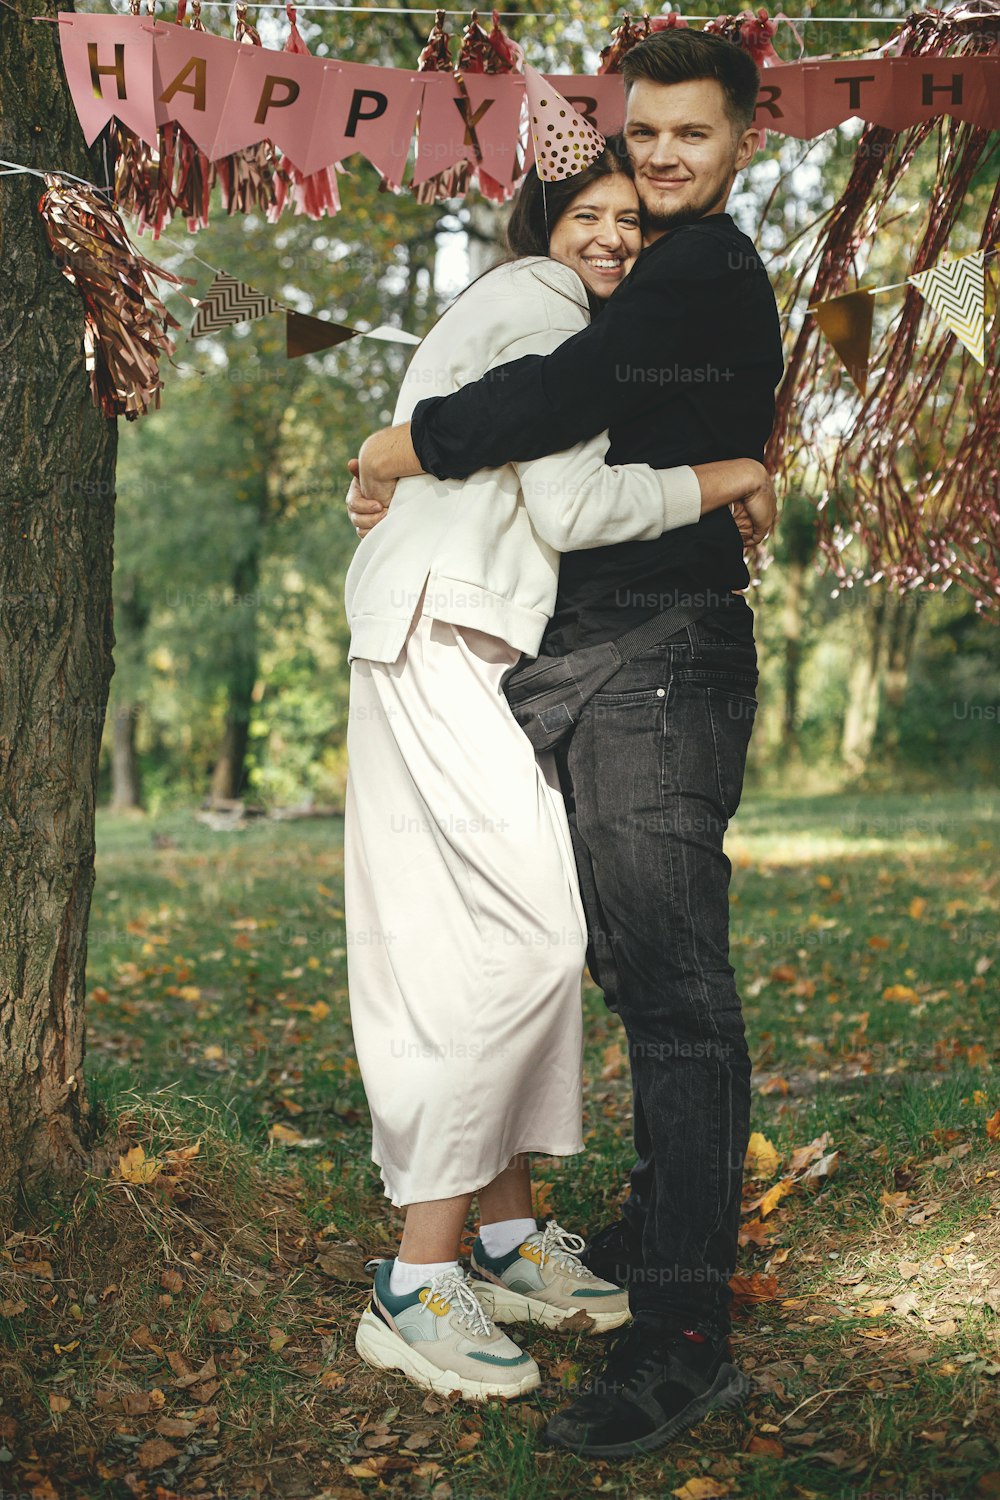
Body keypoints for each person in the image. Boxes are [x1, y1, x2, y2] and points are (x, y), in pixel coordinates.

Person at [347, 29, 784, 1456]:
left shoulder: (704, 264)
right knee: (570, 955)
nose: (658, 162)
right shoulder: (618, 273)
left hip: (659, 655)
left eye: (687, 139)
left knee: (665, 985)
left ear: (742, 142)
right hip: (556, 656)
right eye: (641, 135)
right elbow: (565, 442)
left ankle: (683, 1334)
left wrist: (408, 442)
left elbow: (555, 410)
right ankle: (544, 1231)